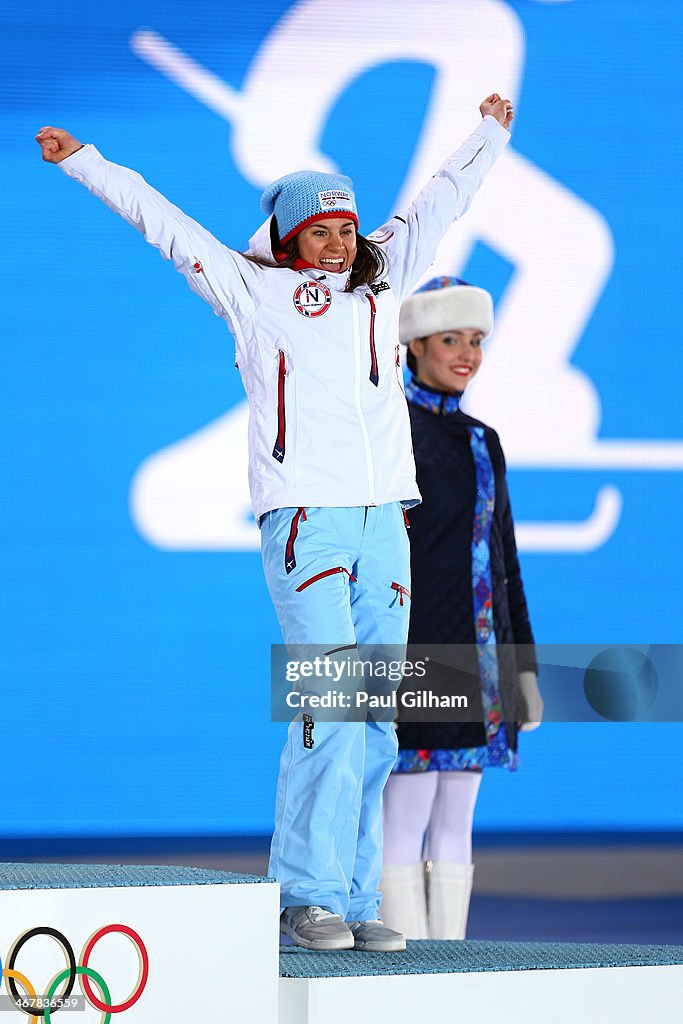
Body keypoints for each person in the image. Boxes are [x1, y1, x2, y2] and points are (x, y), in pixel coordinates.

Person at [35, 97, 514, 952]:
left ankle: (358, 896)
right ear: (291, 237)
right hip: (306, 525)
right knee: (325, 709)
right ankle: (301, 894)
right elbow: (166, 224)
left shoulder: (384, 287)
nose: (339, 242)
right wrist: (84, 160)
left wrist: (487, 134)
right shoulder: (251, 291)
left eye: (347, 227)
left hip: (381, 528)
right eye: (322, 230)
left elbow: (442, 199)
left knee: (374, 720)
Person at [380, 277, 543, 940]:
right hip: (418, 655)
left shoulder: (483, 441)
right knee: (404, 818)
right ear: (414, 345)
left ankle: (443, 967)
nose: (467, 353)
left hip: (479, 657)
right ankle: (399, 973)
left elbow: (503, 563)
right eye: (451, 339)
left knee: (457, 820)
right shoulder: (390, 430)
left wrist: (522, 667)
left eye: (475, 339)